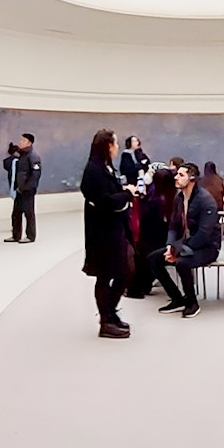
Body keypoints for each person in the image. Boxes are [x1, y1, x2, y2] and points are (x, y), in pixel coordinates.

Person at [81, 129, 138, 339]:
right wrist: (127, 194)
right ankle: (106, 321)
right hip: (102, 233)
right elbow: (104, 201)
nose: (117, 147)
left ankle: (110, 312)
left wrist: (123, 193)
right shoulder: (94, 170)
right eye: (114, 143)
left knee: (125, 270)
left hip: (114, 229)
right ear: (107, 146)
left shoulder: (106, 167)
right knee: (106, 275)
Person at [149, 163, 221, 318]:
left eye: (181, 175)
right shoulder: (179, 198)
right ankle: (177, 299)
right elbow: (173, 226)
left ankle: (192, 303)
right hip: (185, 244)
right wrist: (170, 246)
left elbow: (204, 234)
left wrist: (178, 250)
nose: (176, 177)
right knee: (153, 259)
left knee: (182, 263)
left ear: (192, 178)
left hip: (207, 247)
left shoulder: (205, 200)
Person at [127, 167, 176, 299]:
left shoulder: (153, 200)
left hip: (152, 239)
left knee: (142, 257)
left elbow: (145, 221)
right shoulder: (174, 199)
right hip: (166, 240)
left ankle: (138, 289)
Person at [7, 133, 41, 243]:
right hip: (19, 189)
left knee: (29, 213)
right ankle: (16, 235)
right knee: (16, 213)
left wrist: (27, 186)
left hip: (28, 190)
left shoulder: (33, 156)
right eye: (20, 140)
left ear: (29, 143)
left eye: (23, 140)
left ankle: (30, 236)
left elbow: (35, 174)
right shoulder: (21, 155)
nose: (20, 142)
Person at [2, 142, 21, 243]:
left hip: (13, 187)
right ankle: (16, 229)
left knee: (16, 210)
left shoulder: (7, 162)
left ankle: (15, 227)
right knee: (19, 210)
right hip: (19, 188)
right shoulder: (18, 161)